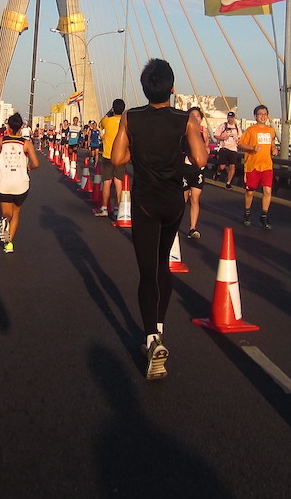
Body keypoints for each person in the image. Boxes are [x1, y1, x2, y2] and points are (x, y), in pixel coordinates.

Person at [111, 59, 207, 380]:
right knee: (164, 265)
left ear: (144, 87)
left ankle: (151, 338)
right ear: (172, 87)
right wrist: (185, 135)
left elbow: (118, 159)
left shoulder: (131, 117)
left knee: (147, 271)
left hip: (145, 203)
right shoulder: (184, 120)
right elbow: (201, 158)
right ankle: (161, 330)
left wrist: (135, 143)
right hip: (172, 203)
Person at [0, 113, 40, 253]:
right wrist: (28, 167)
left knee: (6, 213)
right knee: (16, 213)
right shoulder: (27, 144)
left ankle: (5, 220)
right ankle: (9, 244)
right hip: (20, 184)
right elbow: (36, 164)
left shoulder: (1, 141)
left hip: (3, 183)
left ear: (8, 126)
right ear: (22, 127)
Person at [237, 104, 278, 229]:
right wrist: (252, 148)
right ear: (255, 116)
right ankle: (247, 213)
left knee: (267, 190)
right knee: (250, 192)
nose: (263, 116)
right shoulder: (251, 130)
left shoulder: (271, 130)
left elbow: (272, 143)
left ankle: (264, 216)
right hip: (252, 165)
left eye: (265, 114)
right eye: (260, 114)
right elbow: (241, 144)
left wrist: (274, 149)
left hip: (266, 165)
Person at [184, 106, 211, 240]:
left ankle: (192, 228)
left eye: (198, 116)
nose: (196, 118)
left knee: (195, 198)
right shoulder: (183, 132)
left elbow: (206, 151)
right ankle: (173, 225)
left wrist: (206, 140)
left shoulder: (204, 133)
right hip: (185, 167)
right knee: (183, 198)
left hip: (198, 169)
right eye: (192, 115)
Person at [97, 99, 127, 219]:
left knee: (107, 183)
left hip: (108, 156)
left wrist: (109, 112)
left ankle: (104, 208)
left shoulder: (107, 121)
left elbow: (100, 124)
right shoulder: (126, 122)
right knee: (119, 182)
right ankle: (117, 209)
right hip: (121, 157)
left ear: (113, 108)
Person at [214, 110, 241, 188]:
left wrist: (238, 140)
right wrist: (222, 137)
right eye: (229, 117)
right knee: (222, 166)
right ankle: (218, 173)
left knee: (232, 166)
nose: (230, 119)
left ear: (234, 118)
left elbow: (240, 137)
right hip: (224, 148)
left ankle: (228, 183)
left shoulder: (237, 127)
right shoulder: (223, 126)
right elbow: (216, 135)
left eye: (232, 117)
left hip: (233, 149)